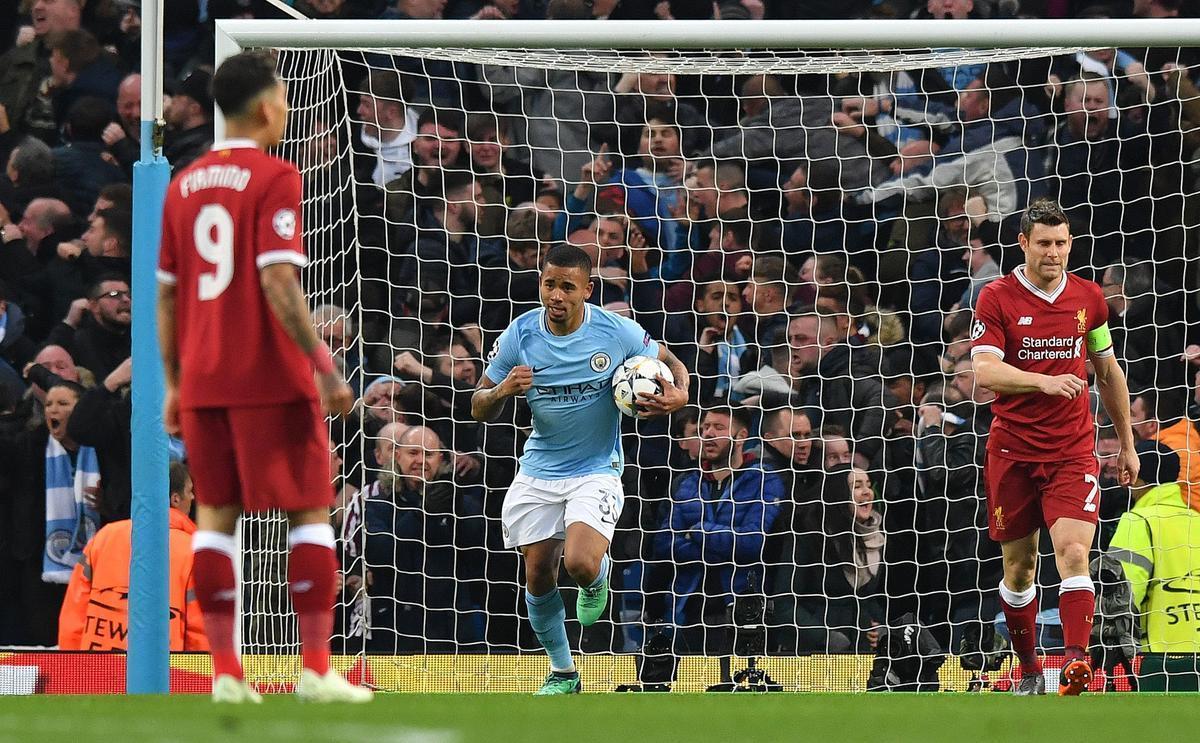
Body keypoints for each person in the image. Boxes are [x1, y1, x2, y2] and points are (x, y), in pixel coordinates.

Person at [157, 51, 370, 704]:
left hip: (203, 378)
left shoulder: (182, 184)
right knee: (311, 509)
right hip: (269, 375)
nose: (285, 105)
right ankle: (315, 669)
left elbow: (166, 295)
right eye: (281, 96)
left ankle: (226, 675)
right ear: (264, 105)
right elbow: (278, 278)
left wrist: (172, 381)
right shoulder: (275, 175)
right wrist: (326, 364)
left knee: (217, 516)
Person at [471, 243, 688, 695]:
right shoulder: (519, 335)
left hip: (596, 467)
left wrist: (679, 395)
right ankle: (564, 673)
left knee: (581, 564)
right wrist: (503, 390)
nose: (556, 294)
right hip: (538, 469)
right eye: (549, 284)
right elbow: (477, 405)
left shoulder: (617, 332)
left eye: (567, 286)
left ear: (587, 290)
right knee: (537, 575)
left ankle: (598, 578)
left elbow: (673, 365)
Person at [970, 198, 1139, 696]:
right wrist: (1041, 383)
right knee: (1019, 569)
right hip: (1013, 452)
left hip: (1072, 451)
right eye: (1043, 243)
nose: (1053, 252)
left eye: (1061, 243)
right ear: (1023, 244)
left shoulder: (1089, 300)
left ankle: (1074, 663)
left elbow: (1107, 372)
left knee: (1072, 552)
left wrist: (1127, 443)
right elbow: (984, 371)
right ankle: (1026, 670)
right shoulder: (996, 297)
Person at [57, 461, 208, 651]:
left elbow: (74, 615)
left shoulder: (104, 538)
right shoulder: (192, 551)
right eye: (189, 490)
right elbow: (200, 632)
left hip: (96, 672)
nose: (193, 497)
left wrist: (71, 669)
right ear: (175, 499)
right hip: (164, 676)